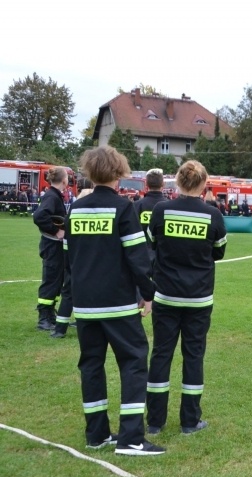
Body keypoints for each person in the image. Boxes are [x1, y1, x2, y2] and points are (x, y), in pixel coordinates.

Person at [65, 146, 164, 455]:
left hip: (85, 303)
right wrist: (147, 293)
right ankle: (131, 438)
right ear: (119, 172)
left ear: (90, 172)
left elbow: (69, 257)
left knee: (91, 365)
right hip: (118, 302)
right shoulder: (123, 208)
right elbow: (137, 258)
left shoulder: (75, 209)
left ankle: (96, 434)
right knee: (133, 362)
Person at [145, 160, 228, 436]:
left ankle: (155, 421)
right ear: (204, 184)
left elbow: (152, 243)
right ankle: (190, 421)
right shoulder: (213, 214)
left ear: (178, 182)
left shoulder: (161, 210)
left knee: (161, 355)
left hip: (166, 295)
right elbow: (219, 251)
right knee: (193, 357)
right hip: (198, 298)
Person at [51, 178, 95, 339]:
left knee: (68, 292)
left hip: (74, 260)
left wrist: (67, 263)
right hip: (92, 262)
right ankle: (86, 324)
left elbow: (66, 241)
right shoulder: (97, 217)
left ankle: (59, 329)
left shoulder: (74, 214)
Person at [32, 167, 68, 331]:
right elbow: (39, 216)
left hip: (55, 246)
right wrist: (56, 231)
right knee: (51, 280)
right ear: (64, 181)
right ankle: (44, 318)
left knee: (56, 280)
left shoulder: (54, 195)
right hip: (52, 246)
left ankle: (50, 315)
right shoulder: (52, 196)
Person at [134, 168, 168, 263]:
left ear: (146, 184)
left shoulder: (136, 205)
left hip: (141, 255)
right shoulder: (170, 207)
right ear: (163, 184)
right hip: (163, 257)